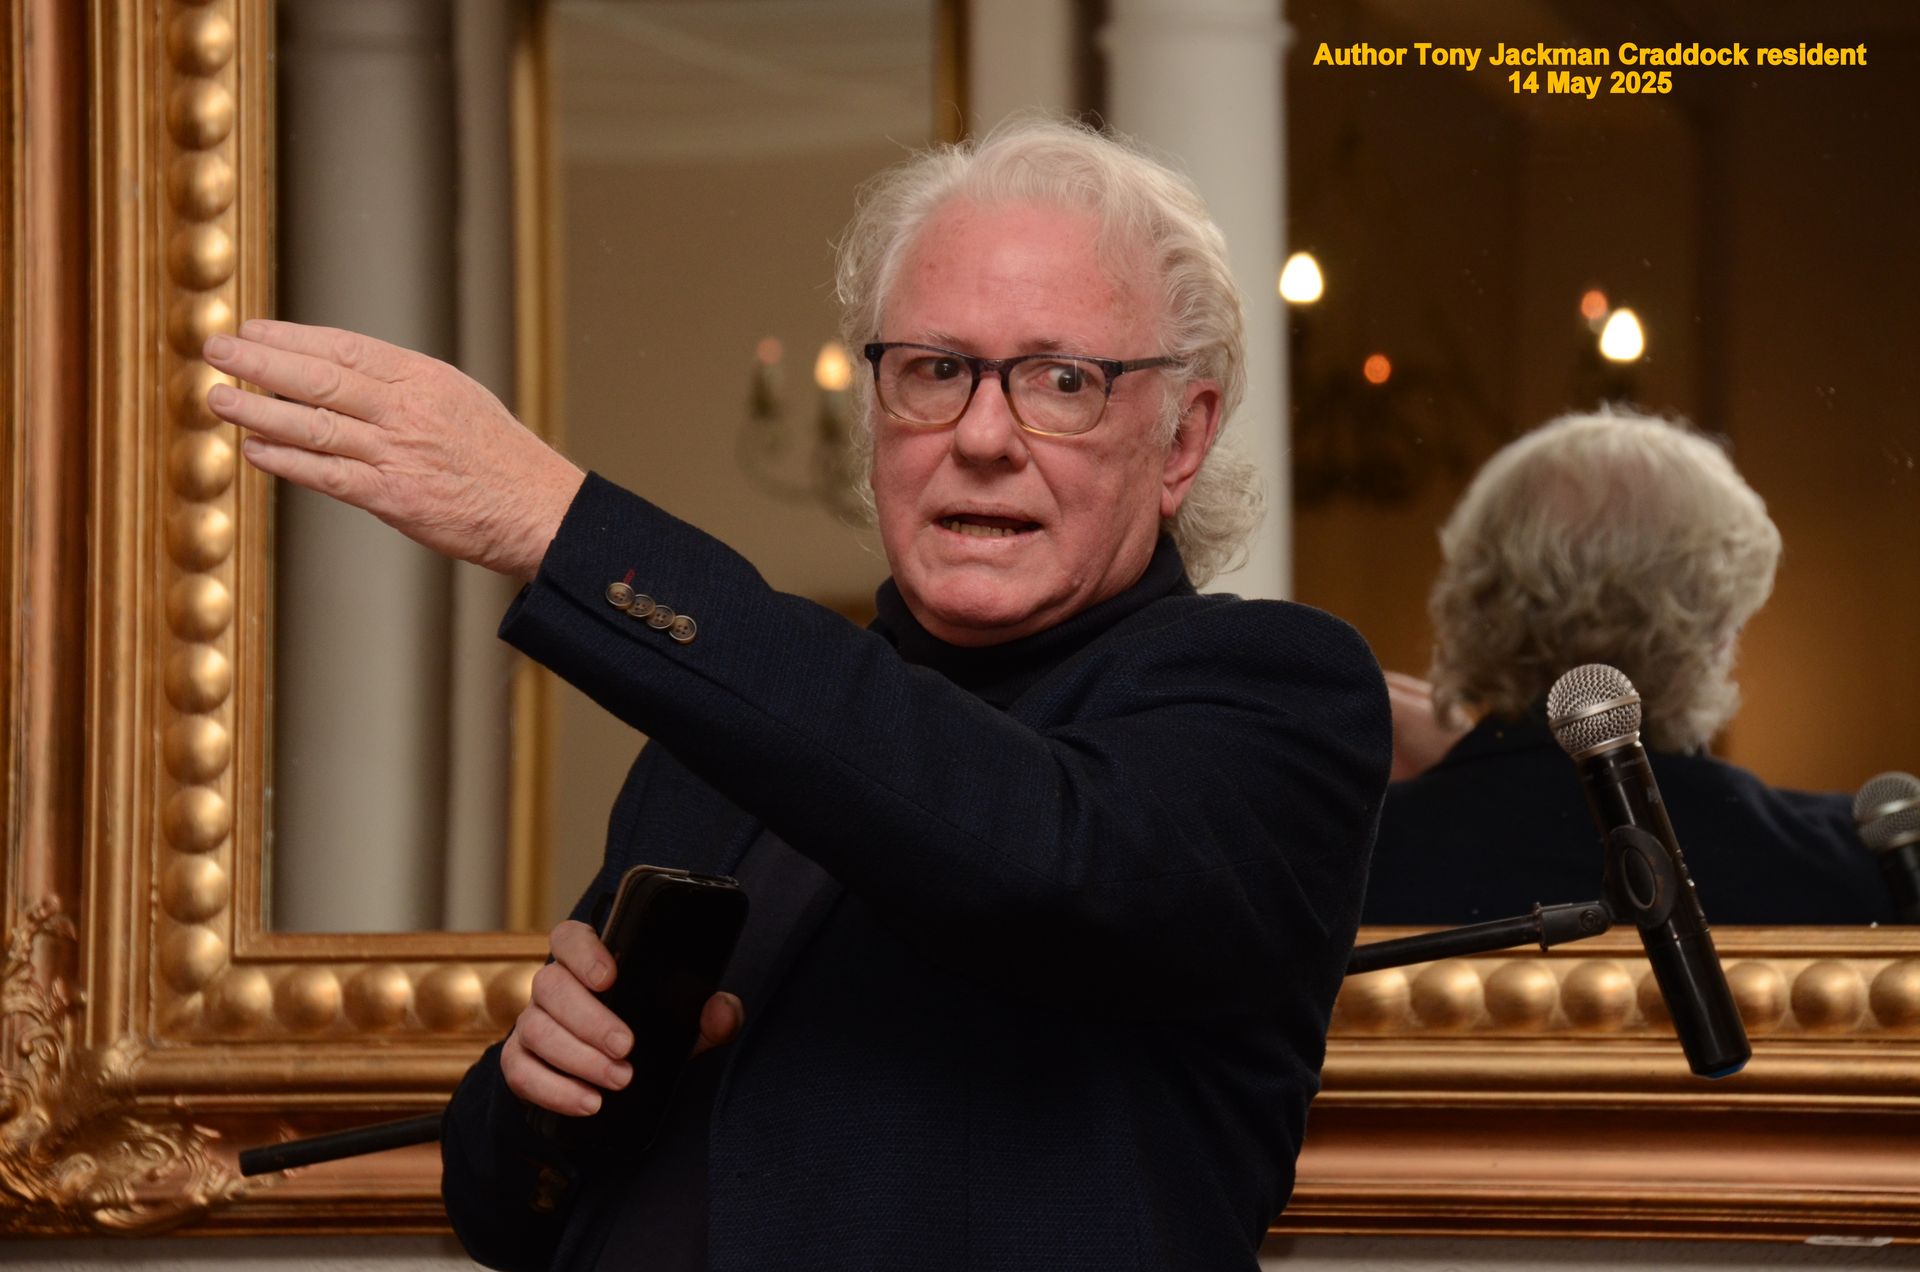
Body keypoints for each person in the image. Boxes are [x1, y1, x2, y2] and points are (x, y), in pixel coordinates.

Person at [203, 119, 1391, 1271]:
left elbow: (1035, 855)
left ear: (1182, 439)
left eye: (1062, 381)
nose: (983, 434)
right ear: (874, 413)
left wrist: (563, 528)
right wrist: (548, 1084)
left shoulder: (1274, 693)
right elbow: (506, 1210)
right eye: (934, 370)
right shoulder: (728, 733)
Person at [1364, 409, 1891, 927]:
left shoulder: (1347, 855)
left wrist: (1470, 762)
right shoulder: (1873, 862)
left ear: (1469, 598)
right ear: (1720, 627)